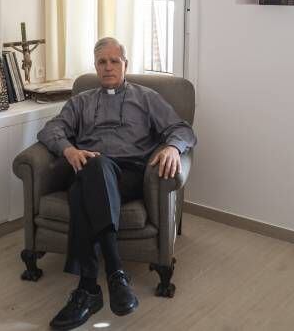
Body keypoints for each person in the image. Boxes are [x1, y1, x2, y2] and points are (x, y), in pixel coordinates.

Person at [37, 37, 196, 331]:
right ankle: (113, 276)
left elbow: (181, 129)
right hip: (90, 169)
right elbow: (51, 130)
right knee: (92, 170)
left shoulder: (145, 97)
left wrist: (173, 147)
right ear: (95, 66)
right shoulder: (81, 102)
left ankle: (89, 290)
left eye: (114, 61)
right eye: (102, 62)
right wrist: (69, 150)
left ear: (125, 64)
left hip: (130, 175)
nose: (108, 67)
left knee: (81, 189)